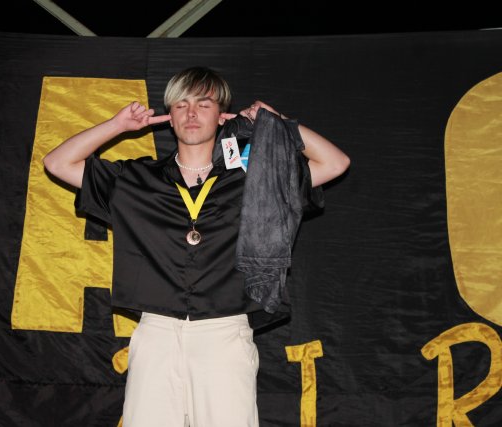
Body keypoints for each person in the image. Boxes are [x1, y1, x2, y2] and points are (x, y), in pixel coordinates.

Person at [43, 67, 350, 427]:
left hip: (224, 334)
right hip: (156, 333)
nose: (191, 113)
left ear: (222, 116)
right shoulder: (136, 179)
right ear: (170, 116)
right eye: (181, 104)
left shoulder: (256, 179)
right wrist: (116, 126)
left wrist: (277, 122)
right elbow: (57, 162)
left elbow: (335, 163)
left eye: (204, 104)